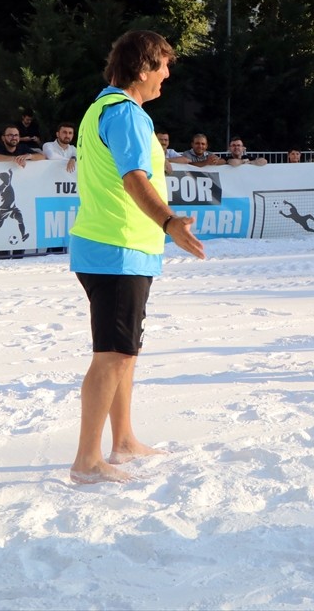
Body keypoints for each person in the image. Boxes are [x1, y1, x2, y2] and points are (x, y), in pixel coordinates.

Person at [68, 30, 206, 484]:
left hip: (116, 249)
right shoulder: (126, 113)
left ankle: (123, 439)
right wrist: (169, 223)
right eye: (163, 65)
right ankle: (87, 460)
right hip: (116, 251)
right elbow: (134, 179)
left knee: (125, 352)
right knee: (112, 355)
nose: (167, 75)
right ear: (142, 68)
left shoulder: (100, 108)